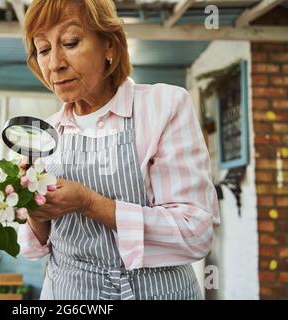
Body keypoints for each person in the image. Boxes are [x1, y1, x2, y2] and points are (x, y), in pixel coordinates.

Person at [18, 0, 220, 300]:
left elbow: (195, 233)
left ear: (109, 46)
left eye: (70, 42)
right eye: (44, 49)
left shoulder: (164, 107)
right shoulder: (46, 134)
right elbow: (36, 246)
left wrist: (88, 203)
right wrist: (36, 211)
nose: (55, 62)